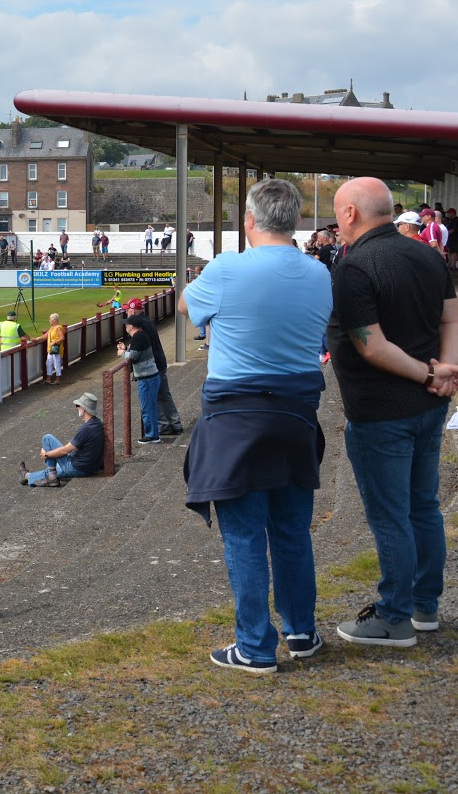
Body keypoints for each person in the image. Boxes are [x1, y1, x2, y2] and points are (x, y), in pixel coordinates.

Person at [179, 177, 333, 675]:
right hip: (296, 413)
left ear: (248, 221)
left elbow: (186, 308)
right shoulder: (318, 274)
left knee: (244, 535)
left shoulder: (226, 269)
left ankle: (254, 646)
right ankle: (301, 631)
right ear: (293, 221)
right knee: (292, 531)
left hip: (236, 415)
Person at [328, 177, 458, 648]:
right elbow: (454, 320)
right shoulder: (426, 254)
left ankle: (393, 617)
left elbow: (372, 346)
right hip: (429, 408)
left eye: (337, 213)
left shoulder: (354, 268)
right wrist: (444, 369)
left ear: (350, 214)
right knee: (422, 507)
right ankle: (424, 606)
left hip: (382, 411)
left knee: (391, 515)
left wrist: (431, 375)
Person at [120, 298, 185, 436]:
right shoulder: (147, 321)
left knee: (153, 398)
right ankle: (175, 424)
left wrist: (125, 352)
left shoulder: (141, 325)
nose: (126, 312)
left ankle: (163, 427)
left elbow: (139, 351)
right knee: (164, 396)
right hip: (159, 362)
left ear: (133, 310)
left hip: (151, 367)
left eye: (128, 309)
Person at [20, 391, 106, 486]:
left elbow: (65, 450)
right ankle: (26, 476)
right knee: (56, 469)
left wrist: (47, 454)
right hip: (91, 467)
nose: (77, 408)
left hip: (78, 467)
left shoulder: (86, 429)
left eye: (77, 406)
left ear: (83, 409)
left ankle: (52, 478)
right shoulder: (99, 424)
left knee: (47, 438)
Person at [119, 313, 162, 443]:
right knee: (150, 406)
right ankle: (153, 433)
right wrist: (126, 349)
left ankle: (152, 435)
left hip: (147, 377)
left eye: (127, 324)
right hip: (152, 375)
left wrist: (122, 353)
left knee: (147, 407)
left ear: (132, 326)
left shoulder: (137, 337)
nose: (125, 326)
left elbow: (134, 356)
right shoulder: (142, 335)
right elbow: (137, 352)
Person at [42, 312, 66, 385]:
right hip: (51, 349)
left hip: (56, 349)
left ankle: (57, 379)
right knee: (49, 363)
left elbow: (62, 337)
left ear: (54, 321)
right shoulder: (52, 328)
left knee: (56, 364)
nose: (49, 321)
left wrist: (54, 342)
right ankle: (48, 379)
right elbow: (46, 335)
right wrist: (37, 339)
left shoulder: (58, 328)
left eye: (50, 319)